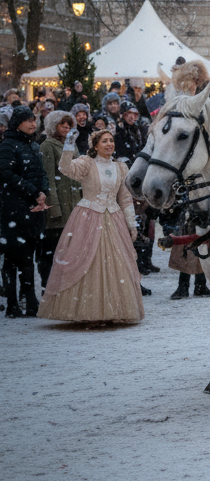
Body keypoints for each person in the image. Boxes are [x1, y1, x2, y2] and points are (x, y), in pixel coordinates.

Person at [37, 128, 144, 323]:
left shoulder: (121, 167)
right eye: (104, 141)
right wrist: (69, 145)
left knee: (117, 263)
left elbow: (126, 199)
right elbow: (65, 168)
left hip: (113, 218)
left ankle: (114, 309)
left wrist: (131, 224)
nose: (109, 144)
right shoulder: (87, 163)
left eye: (111, 140)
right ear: (95, 146)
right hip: (88, 217)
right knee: (86, 261)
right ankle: (88, 310)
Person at [0, 106, 49, 317]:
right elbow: (5, 174)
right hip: (13, 210)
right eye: (28, 120)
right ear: (17, 123)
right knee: (13, 258)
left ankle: (30, 301)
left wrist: (43, 192)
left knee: (28, 256)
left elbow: (42, 172)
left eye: (34, 120)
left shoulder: (33, 145)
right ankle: (13, 303)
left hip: (33, 209)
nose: (33, 124)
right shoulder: (8, 145)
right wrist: (32, 191)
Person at [40, 110, 82, 290]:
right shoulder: (47, 146)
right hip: (58, 207)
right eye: (62, 124)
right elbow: (48, 178)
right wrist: (54, 207)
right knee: (52, 251)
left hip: (74, 204)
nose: (66, 127)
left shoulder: (72, 145)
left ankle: (65, 288)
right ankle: (48, 287)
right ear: (52, 126)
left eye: (69, 124)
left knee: (70, 251)